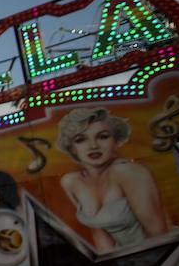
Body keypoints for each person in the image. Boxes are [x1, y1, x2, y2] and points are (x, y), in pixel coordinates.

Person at [56, 106, 170, 251]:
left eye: (103, 137)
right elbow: (99, 234)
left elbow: (158, 233)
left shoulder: (128, 172)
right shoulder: (70, 182)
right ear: (71, 147)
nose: (93, 146)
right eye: (81, 140)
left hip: (159, 254)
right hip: (124, 260)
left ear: (116, 141)